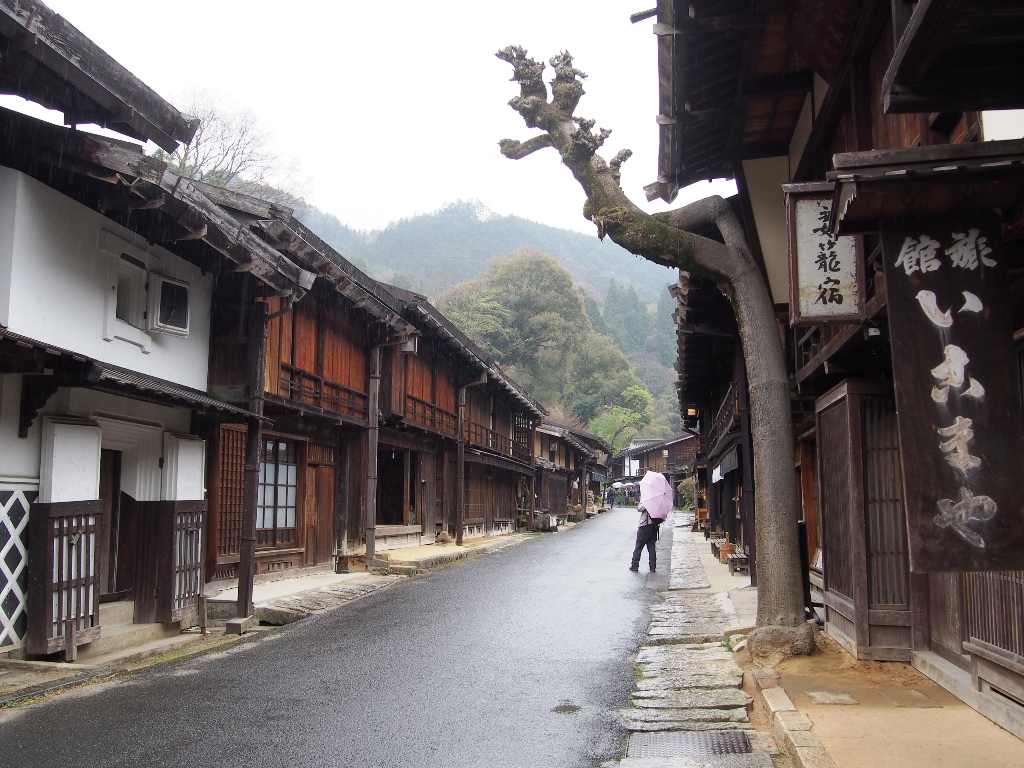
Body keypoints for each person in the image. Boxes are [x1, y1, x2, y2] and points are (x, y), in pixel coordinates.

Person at [629, 503, 662, 572]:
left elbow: (639, 509)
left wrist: (644, 502)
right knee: (651, 547)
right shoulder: (659, 503)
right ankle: (652, 567)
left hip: (644, 527)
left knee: (639, 546)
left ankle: (634, 565)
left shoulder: (648, 500)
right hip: (654, 527)